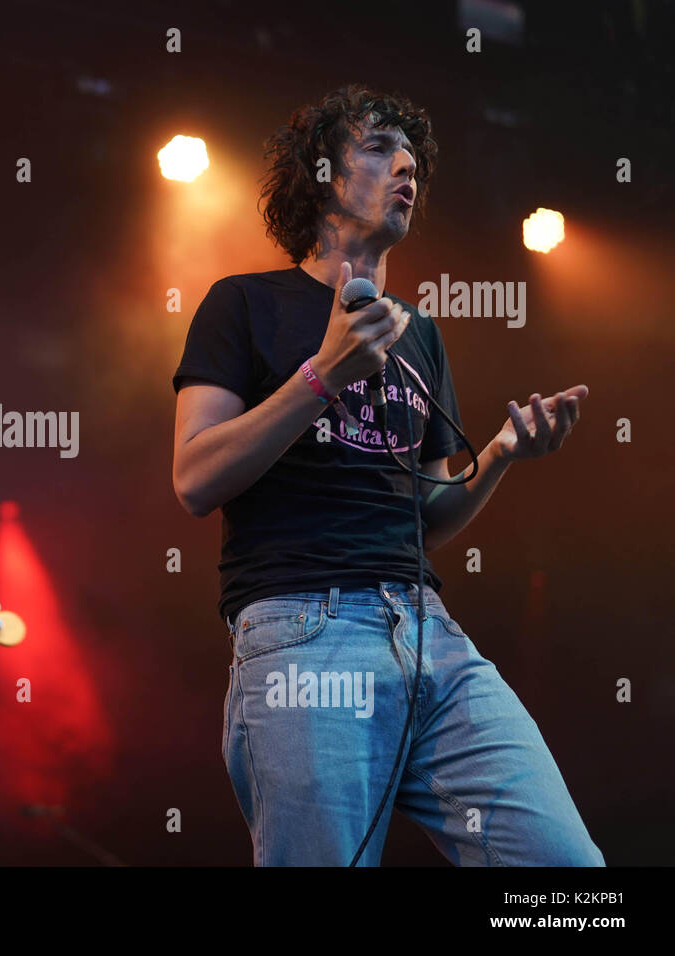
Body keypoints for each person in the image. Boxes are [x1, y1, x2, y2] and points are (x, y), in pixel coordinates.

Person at [171, 84, 602, 866]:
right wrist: (323, 375)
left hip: (430, 631)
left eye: (413, 160)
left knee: (566, 872)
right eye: (379, 148)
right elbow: (196, 478)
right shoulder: (243, 305)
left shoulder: (420, 333)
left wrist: (502, 452)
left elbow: (428, 513)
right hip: (305, 632)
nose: (406, 167)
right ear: (325, 172)